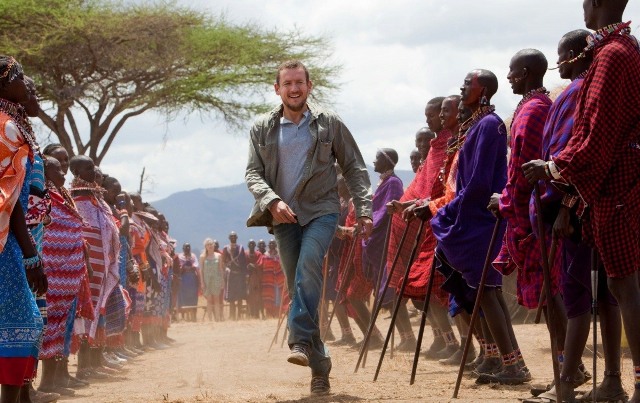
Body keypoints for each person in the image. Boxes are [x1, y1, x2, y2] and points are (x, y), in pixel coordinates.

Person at [523, 2, 640, 400]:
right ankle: (612, 383)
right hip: (602, 186)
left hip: (613, 186)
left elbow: (597, 135)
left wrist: (554, 169)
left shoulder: (612, 55)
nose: (583, 7)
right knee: (615, 285)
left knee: (622, 285)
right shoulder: (618, 50)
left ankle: (630, 383)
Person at [245, 59, 372, 395]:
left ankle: (299, 339)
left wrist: (364, 210)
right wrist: (272, 201)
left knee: (309, 267)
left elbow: (354, 167)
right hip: (283, 216)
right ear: (277, 89)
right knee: (300, 287)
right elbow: (253, 173)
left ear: (309, 86)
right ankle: (320, 368)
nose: (294, 89)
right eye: (287, 83)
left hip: (322, 211)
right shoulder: (262, 128)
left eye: (299, 82)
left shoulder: (330, 124)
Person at [431, 70, 529, 385]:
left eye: (467, 85)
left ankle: (513, 365)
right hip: (472, 216)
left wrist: (448, 212)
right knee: (486, 291)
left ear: (483, 89)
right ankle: (503, 359)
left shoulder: (489, 125)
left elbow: (479, 183)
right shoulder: (479, 125)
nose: (461, 89)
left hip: (481, 220)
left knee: (488, 290)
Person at [486, 49, 566, 385]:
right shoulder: (531, 107)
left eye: (512, 71)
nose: (508, 77)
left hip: (539, 213)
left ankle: (568, 368)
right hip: (535, 212)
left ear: (527, 72)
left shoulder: (534, 111)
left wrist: (504, 201)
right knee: (550, 296)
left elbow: (523, 169)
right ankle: (566, 368)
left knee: (552, 295)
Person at [0, 56, 47, 403]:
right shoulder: (4, 127)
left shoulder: (11, 124)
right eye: (19, 76)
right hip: (6, 241)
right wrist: (30, 253)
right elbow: (9, 198)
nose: (26, 81)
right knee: (22, 323)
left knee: (20, 324)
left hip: (11, 238)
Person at [385, 99, 448, 354]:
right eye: (418, 141)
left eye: (434, 115)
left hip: (436, 227)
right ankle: (445, 340)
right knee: (421, 294)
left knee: (440, 292)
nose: (422, 144)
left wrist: (416, 206)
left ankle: (458, 344)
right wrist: (403, 206)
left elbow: (443, 192)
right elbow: (421, 193)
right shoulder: (433, 154)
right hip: (416, 230)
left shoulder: (447, 148)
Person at [222, 232, 247, 321]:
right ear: (229, 238)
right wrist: (226, 269)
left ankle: (239, 316)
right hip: (231, 276)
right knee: (231, 297)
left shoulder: (240, 248)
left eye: (234, 237)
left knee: (239, 296)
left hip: (239, 275)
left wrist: (244, 275)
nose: (233, 238)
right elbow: (223, 262)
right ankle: (232, 316)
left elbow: (243, 262)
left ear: (236, 238)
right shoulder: (226, 249)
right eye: (231, 237)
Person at [259, 240, 287, 318]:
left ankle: (278, 314)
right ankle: (269, 314)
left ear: (275, 245)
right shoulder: (264, 256)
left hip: (279, 281)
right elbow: (260, 266)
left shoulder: (280, 256)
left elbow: (283, 266)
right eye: (270, 243)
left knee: (278, 297)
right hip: (268, 280)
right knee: (268, 297)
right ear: (268, 245)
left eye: (273, 243)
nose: (271, 244)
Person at [200, 238, 224, 321]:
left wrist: (222, 280)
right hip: (207, 280)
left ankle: (217, 318)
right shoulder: (202, 257)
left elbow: (220, 269)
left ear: (214, 245)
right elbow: (201, 270)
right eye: (208, 245)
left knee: (217, 299)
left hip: (216, 279)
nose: (210, 246)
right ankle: (210, 319)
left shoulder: (219, 256)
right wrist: (202, 282)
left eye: (211, 244)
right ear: (205, 246)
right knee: (209, 300)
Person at [177, 243, 199, 322]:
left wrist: (190, 265)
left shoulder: (193, 256)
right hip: (183, 280)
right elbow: (179, 267)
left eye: (188, 247)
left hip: (192, 279)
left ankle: (194, 316)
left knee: (193, 297)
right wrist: (183, 267)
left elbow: (196, 266)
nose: (187, 249)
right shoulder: (180, 256)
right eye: (186, 247)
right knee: (183, 298)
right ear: (183, 248)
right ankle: (184, 317)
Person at [246, 239, 264, 319]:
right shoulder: (246, 253)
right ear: (248, 245)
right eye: (250, 244)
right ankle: (250, 314)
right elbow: (244, 264)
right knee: (249, 296)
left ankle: (256, 314)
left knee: (257, 296)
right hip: (248, 278)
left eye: (253, 244)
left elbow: (260, 263)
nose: (251, 245)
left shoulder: (258, 254)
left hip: (256, 278)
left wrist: (252, 265)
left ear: (255, 245)